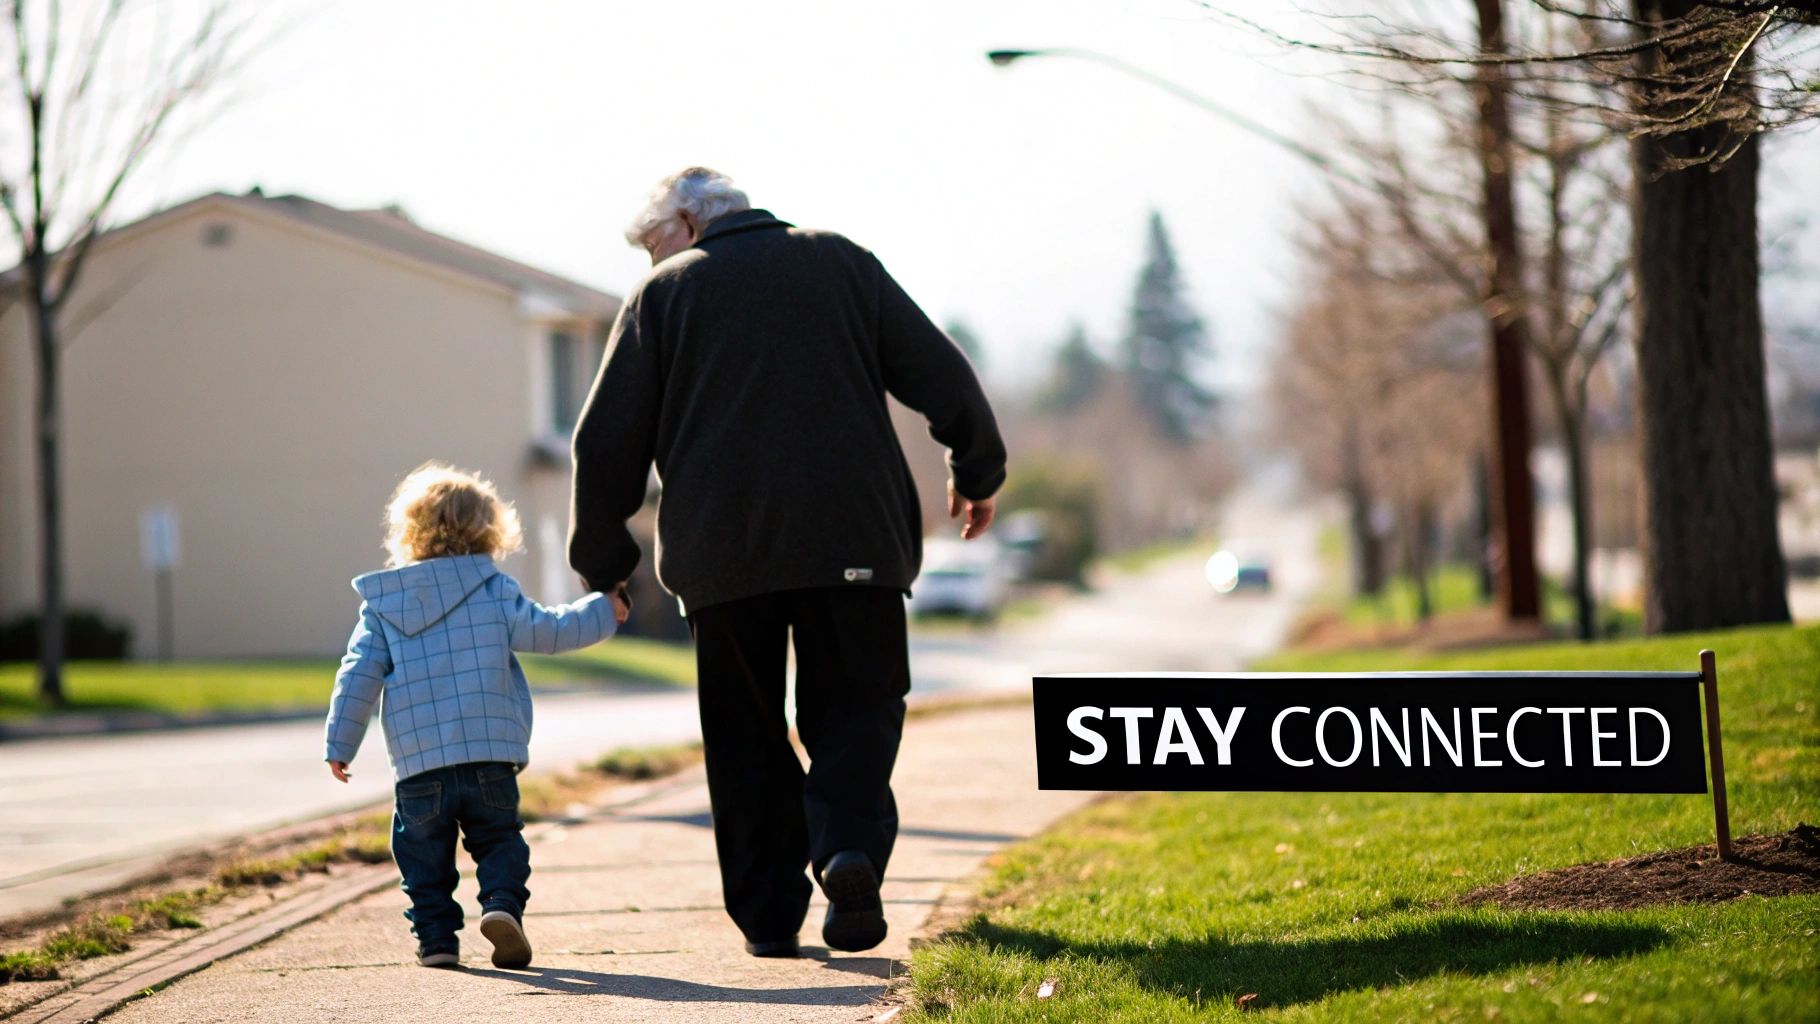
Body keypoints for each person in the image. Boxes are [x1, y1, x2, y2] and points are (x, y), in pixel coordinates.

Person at [569, 168, 1006, 957]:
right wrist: (977, 471)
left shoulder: (665, 295)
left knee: (743, 734)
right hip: (856, 542)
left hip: (722, 554)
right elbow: (940, 374)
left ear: (689, 221)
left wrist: (605, 559)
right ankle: (847, 849)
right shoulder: (843, 262)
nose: (651, 261)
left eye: (654, 244)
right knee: (858, 708)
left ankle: (771, 919)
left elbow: (605, 442)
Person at [324, 462, 623, 969]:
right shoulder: (494, 589)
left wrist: (339, 745)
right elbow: (550, 631)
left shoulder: (384, 604)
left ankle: (438, 939)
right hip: (490, 754)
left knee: (422, 855)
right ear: (490, 528)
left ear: (409, 530)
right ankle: (502, 906)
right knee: (499, 839)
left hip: (421, 764)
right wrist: (603, 608)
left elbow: (358, 675)